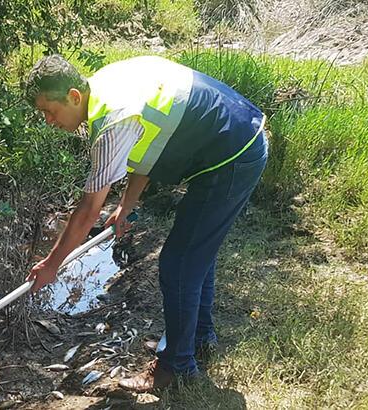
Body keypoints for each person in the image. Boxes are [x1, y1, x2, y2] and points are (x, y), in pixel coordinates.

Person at [24, 54, 268, 392]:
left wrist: (53, 264)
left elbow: (88, 209)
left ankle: (175, 368)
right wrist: (126, 204)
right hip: (235, 139)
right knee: (196, 255)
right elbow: (145, 147)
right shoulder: (104, 83)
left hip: (232, 155)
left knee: (178, 263)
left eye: (49, 111)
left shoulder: (112, 118)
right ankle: (199, 338)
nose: (48, 121)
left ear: (74, 97)